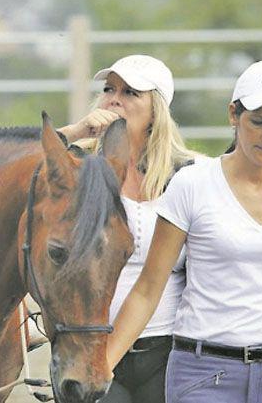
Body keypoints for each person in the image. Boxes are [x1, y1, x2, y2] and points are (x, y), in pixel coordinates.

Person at [107, 60, 262, 402]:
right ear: (234, 114)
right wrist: (105, 364)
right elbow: (148, 289)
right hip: (203, 375)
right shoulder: (192, 185)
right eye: (258, 122)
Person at [58, 54, 197, 403]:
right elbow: (20, 163)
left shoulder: (190, 174)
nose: (114, 99)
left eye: (131, 92)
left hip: (168, 347)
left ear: (157, 110)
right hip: (91, 347)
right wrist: (75, 132)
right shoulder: (77, 167)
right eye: (109, 89)